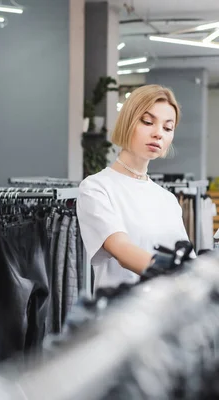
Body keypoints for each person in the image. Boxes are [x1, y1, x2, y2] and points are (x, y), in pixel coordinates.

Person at [76, 85, 191, 290]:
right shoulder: (95, 188)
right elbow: (123, 251)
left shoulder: (167, 199)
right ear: (128, 122)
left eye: (168, 128)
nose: (158, 134)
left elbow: (186, 258)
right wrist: (179, 279)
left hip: (166, 314)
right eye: (148, 122)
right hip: (121, 316)